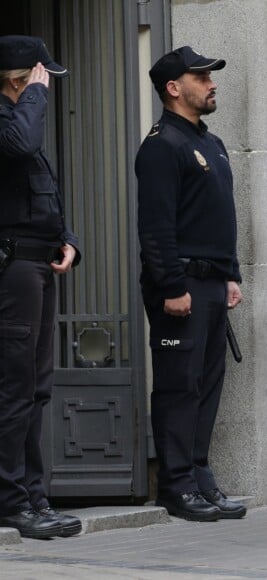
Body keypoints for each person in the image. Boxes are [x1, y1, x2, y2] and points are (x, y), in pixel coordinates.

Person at [135, 46, 246, 522]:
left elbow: (220, 216)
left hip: (212, 284)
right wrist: (172, 285)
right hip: (180, 285)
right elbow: (156, 227)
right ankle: (176, 485)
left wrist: (232, 274)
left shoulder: (211, 143)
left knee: (206, 385)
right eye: (201, 76)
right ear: (174, 88)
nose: (212, 82)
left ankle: (200, 476)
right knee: (179, 387)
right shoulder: (163, 146)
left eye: (210, 75)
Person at [0, 35, 81, 539]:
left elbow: (44, 193)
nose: (47, 84)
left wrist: (68, 239)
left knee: (37, 389)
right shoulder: (14, 123)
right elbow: (22, 146)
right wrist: (34, 96)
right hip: (12, 273)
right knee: (14, 389)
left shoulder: (22, 120)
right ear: (16, 78)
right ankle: (12, 500)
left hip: (39, 268)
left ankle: (32, 495)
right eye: (39, 76)